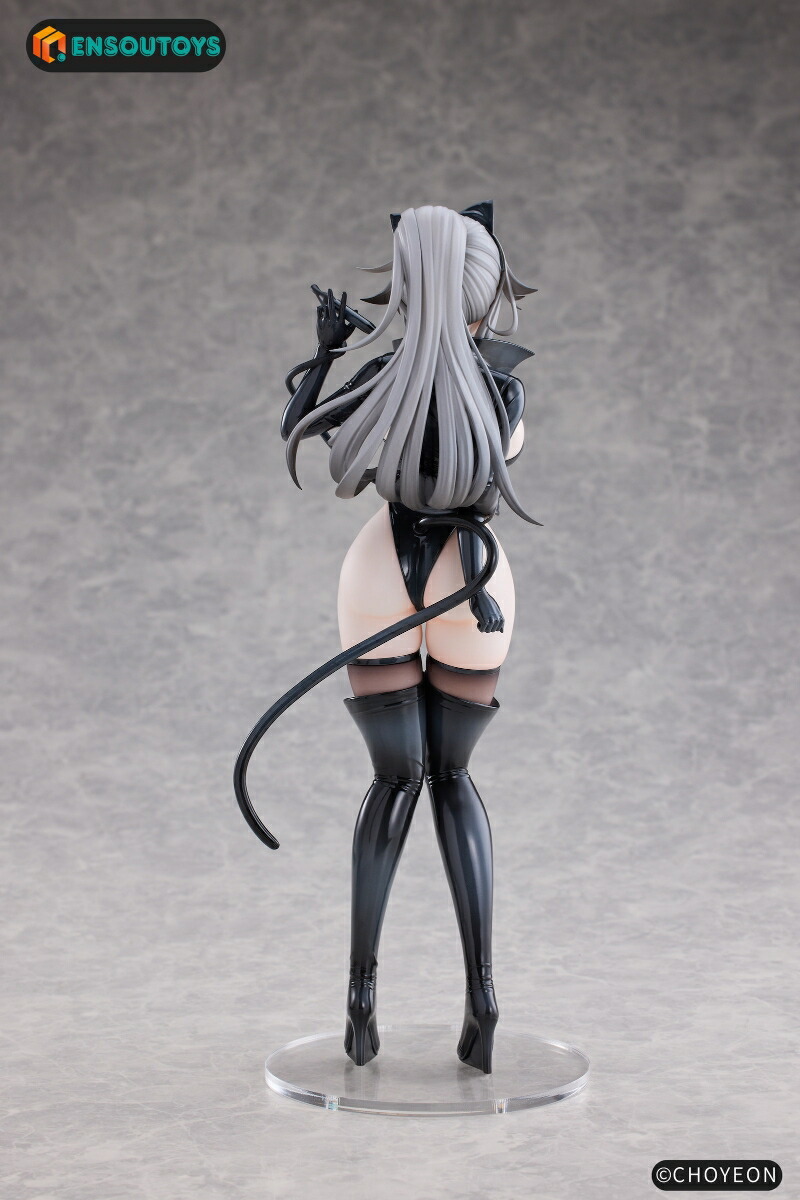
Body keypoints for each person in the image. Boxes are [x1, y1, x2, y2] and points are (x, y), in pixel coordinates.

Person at [239, 202, 538, 1074]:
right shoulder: (502, 388)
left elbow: (303, 426)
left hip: (380, 569)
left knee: (396, 779)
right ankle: (483, 994)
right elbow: (491, 471)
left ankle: (360, 996)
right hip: (472, 580)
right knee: (453, 778)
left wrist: (328, 351)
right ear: (487, 295)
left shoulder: (386, 378)